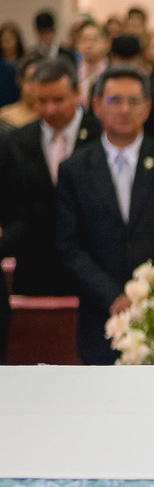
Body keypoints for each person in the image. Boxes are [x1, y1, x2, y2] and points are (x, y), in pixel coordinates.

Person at [56, 66, 154, 364]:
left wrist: (148, 292)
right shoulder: (74, 168)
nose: (124, 109)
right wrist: (113, 296)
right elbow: (68, 245)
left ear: (147, 108)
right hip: (100, 314)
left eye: (133, 101)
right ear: (96, 106)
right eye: (114, 101)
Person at [0, 59, 101, 342]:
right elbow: (9, 209)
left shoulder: (101, 137)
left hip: (92, 270)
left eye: (58, 99)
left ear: (77, 94)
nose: (49, 109)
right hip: (35, 269)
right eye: (41, 101)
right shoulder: (15, 143)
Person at [0, 54, 42, 134]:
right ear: (20, 81)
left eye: (39, 81)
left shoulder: (51, 118)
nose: (34, 86)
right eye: (30, 80)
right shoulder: (4, 117)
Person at [74, 20, 110, 104]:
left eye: (94, 40)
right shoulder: (73, 73)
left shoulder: (111, 74)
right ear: (78, 44)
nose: (89, 45)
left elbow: (111, 100)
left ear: (107, 44)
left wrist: (107, 102)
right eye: (84, 40)